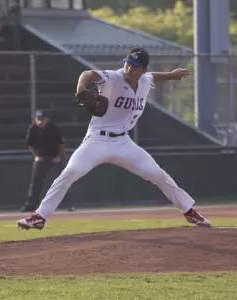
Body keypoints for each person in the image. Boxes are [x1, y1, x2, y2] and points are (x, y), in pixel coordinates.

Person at [17, 47, 212, 230]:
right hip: (97, 140)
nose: (129, 68)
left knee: (158, 175)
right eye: (128, 63)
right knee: (70, 172)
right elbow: (87, 74)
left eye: (135, 66)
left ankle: (189, 211)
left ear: (143, 69)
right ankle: (40, 217)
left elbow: (153, 77)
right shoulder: (114, 77)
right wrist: (81, 89)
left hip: (123, 143)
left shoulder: (144, 80)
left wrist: (171, 75)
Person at [21, 110, 75, 213]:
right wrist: (36, 156)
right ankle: (30, 205)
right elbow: (30, 145)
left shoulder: (53, 128)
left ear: (47, 119)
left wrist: (59, 157)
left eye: (43, 119)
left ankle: (69, 205)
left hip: (56, 157)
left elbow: (61, 143)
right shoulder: (33, 129)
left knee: (62, 180)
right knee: (36, 182)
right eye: (38, 120)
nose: (40, 122)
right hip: (42, 158)